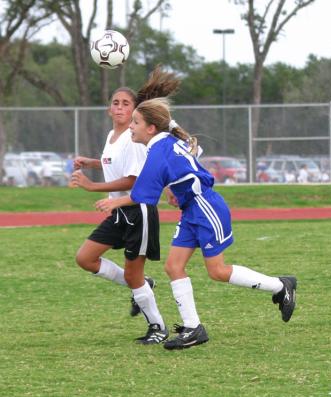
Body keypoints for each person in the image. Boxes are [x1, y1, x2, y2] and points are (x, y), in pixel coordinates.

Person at [95, 96, 298, 351]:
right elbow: (188, 160)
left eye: (135, 122)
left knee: (217, 271)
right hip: (192, 208)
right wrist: (177, 189)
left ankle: (281, 286)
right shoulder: (165, 141)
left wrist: (114, 202)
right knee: (173, 266)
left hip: (205, 207)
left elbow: (141, 195)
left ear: (151, 128)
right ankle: (193, 329)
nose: (131, 127)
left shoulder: (158, 151)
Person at [70, 67, 180, 344]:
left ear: (135, 112)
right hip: (118, 211)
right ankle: (144, 285)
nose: (119, 107)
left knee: (133, 274)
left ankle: (157, 327)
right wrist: (92, 163)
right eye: (115, 103)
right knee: (85, 258)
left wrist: (91, 185)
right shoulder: (113, 136)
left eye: (125, 104)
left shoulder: (134, 141)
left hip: (137, 211)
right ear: (109, 109)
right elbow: (112, 164)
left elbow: (133, 179)